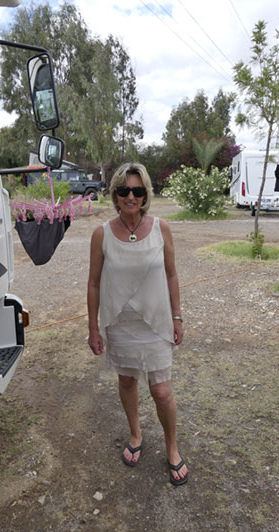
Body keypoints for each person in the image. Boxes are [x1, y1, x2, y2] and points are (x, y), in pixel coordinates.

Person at [87, 162, 188, 486]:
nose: (130, 196)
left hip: (155, 323)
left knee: (161, 390)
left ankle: (172, 447)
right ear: (115, 194)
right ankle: (135, 433)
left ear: (146, 195)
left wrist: (177, 316)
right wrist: (93, 328)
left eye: (137, 190)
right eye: (123, 190)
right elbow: (93, 283)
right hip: (120, 324)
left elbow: (171, 275)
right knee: (127, 381)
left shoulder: (161, 228)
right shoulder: (101, 234)